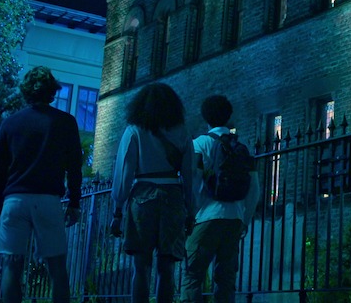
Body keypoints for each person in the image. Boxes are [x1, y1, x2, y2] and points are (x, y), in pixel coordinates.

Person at [0, 66, 83, 303]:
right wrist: (74, 201)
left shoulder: (10, 124)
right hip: (48, 200)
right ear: (52, 92)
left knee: (11, 267)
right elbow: (74, 165)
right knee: (58, 269)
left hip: (15, 199)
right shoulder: (65, 122)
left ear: (26, 91)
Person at [109, 83, 197, 303]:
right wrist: (191, 211)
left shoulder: (134, 130)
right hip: (173, 197)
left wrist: (117, 212)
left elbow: (124, 174)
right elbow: (189, 176)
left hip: (142, 196)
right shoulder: (182, 132)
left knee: (141, 267)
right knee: (166, 269)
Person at [183, 94, 260, 303]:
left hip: (206, 217)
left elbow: (193, 181)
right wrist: (245, 219)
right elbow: (255, 189)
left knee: (192, 276)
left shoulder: (199, 144)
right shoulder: (241, 149)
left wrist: (191, 213)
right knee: (226, 281)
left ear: (206, 117)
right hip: (234, 219)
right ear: (227, 117)